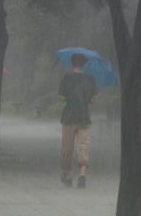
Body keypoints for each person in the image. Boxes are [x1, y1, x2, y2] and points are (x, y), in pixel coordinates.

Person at [58, 53, 98, 189]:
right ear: (84, 64)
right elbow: (92, 101)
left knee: (67, 148)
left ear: (72, 63)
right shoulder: (90, 79)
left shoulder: (66, 77)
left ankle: (67, 174)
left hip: (68, 118)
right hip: (84, 118)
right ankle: (82, 175)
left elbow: (62, 98)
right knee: (83, 146)